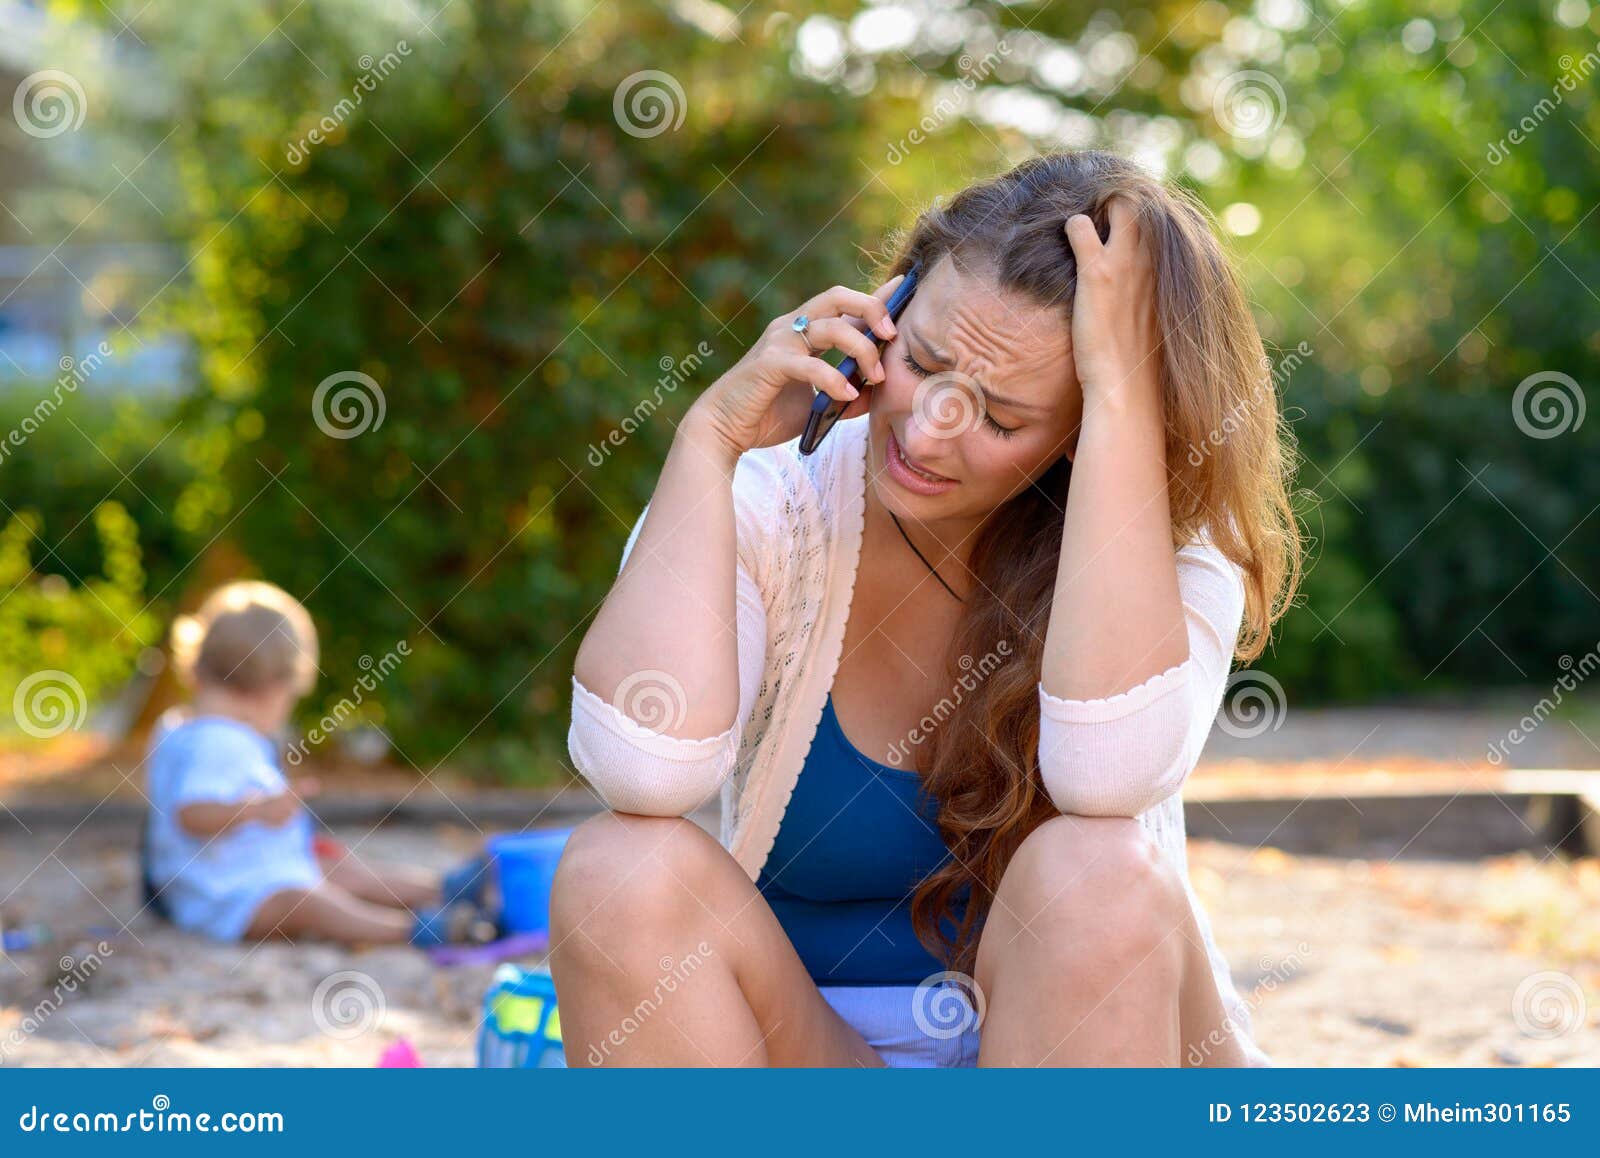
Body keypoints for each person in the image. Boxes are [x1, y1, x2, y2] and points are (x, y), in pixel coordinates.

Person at [550, 151, 1303, 1067]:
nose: (931, 427)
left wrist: (1118, 399)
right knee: (615, 871)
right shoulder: (769, 501)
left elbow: (1108, 777)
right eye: (925, 361)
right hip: (818, 1064)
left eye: (1002, 418)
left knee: (1095, 872)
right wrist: (709, 441)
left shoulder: (1175, 549)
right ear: (888, 310)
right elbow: (642, 769)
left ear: (1084, 434)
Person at [143, 580, 493, 946]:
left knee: (337, 871)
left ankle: (444, 890)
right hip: (221, 897)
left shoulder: (183, 727)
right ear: (271, 689)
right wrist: (258, 812)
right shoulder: (216, 740)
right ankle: (411, 928)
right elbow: (190, 814)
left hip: (236, 873)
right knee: (307, 902)